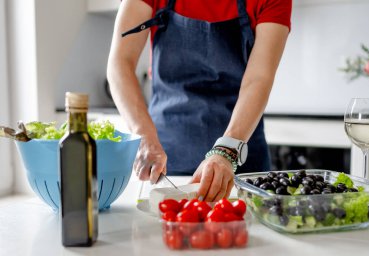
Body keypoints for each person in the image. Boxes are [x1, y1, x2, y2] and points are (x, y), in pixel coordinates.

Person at [107, 0, 292, 202]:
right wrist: (143, 136)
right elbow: (120, 64)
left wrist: (227, 150)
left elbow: (259, 78)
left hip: (239, 162)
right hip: (167, 164)